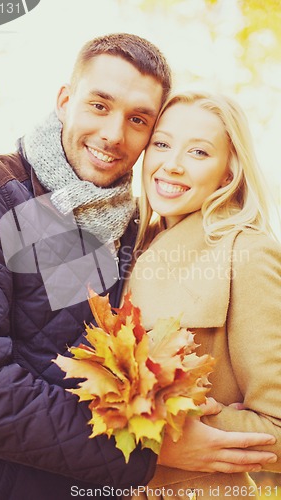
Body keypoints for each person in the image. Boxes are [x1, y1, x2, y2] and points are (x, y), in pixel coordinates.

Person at [0, 33, 277, 500]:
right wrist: (147, 446)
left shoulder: (128, 229)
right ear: (65, 101)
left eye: (137, 120)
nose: (113, 134)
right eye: (99, 105)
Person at [127, 91, 281, 499]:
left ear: (228, 172)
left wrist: (160, 437)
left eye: (198, 151)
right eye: (161, 143)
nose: (172, 164)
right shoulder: (130, 242)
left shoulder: (247, 254)